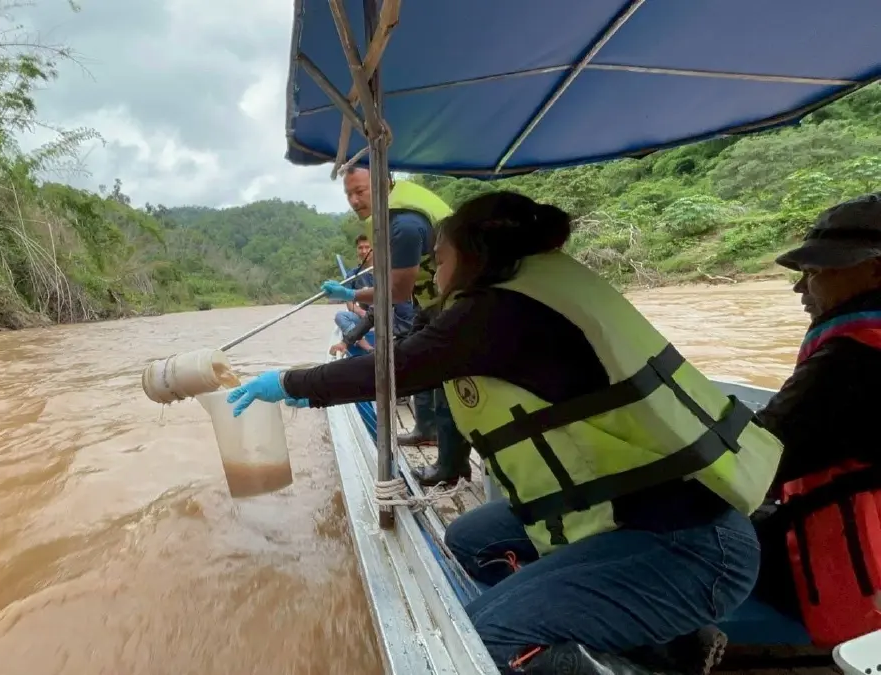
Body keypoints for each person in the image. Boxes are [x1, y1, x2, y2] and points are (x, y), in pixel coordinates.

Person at [225, 191, 784, 675]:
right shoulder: (529, 288)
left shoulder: (502, 311)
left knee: (479, 641)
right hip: (640, 512)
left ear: (473, 256)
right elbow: (425, 333)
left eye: (438, 260)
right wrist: (356, 306)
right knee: (471, 538)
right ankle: (671, 642)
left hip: (690, 549)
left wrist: (290, 382)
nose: (432, 273)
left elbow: (401, 365)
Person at [749, 194, 881, 648]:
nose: (800, 290)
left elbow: (754, 464)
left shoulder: (851, 359)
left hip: (861, 577)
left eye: (815, 272)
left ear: (875, 271)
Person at [322, 167, 471, 486]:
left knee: (445, 384)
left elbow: (397, 292)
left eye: (360, 191)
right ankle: (425, 429)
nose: (353, 199)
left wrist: (349, 293)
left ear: (382, 183)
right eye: (348, 193)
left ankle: (450, 466)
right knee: (418, 361)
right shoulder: (389, 218)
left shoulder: (402, 224)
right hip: (432, 302)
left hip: (458, 301)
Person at [333, 234, 375, 352]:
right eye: (360, 248)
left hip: (385, 316)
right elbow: (350, 304)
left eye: (367, 247)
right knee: (340, 316)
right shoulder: (352, 275)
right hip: (364, 317)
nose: (364, 251)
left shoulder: (386, 271)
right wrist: (361, 312)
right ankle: (367, 347)